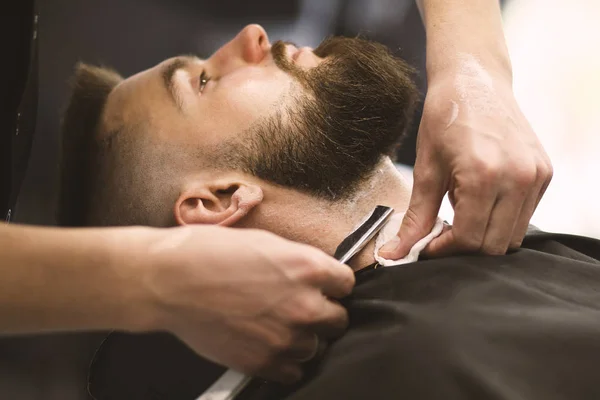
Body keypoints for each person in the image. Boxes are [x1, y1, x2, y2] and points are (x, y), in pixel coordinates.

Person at [0, 0, 551, 388]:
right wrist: (153, 277)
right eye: (203, 81)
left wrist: (474, 65)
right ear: (216, 199)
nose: (253, 33)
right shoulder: (406, 366)